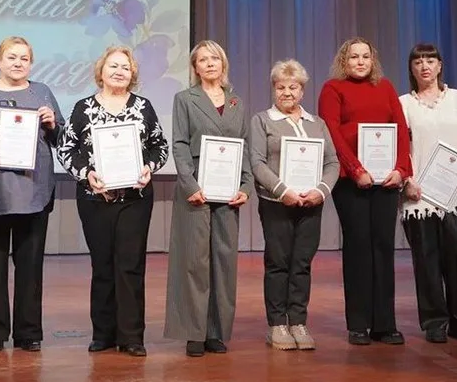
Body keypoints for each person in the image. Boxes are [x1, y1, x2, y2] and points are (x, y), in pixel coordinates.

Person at [58, 45, 169, 357]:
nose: (119, 72)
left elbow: (160, 146)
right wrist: (87, 174)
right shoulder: (82, 108)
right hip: (95, 199)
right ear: (101, 72)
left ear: (132, 74)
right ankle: (103, 334)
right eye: (113, 66)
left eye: (125, 67)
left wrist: (149, 167)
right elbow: (66, 149)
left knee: (130, 266)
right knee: (103, 265)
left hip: (135, 199)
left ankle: (132, 336)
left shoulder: (143, 107)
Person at [0, 36, 64, 353]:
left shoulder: (42, 92)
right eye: (11, 57)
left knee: (30, 268)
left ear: (31, 64)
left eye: (24, 58)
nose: (18, 63)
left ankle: (28, 332)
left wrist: (52, 124)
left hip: (34, 192)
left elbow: (60, 138)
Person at [318, 37, 412, 346]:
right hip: (351, 181)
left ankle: (385, 324)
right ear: (343, 61)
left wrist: (401, 169)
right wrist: (356, 169)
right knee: (359, 246)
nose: (360, 62)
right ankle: (358, 323)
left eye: (365, 56)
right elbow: (331, 132)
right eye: (354, 57)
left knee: (383, 246)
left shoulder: (385, 87)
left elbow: (400, 129)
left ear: (373, 61)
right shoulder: (332, 89)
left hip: (386, 180)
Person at [164, 41, 254, 357]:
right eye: (203, 59)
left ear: (223, 63)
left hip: (228, 191)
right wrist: (190, 184)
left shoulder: (237, 102)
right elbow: (179, 144)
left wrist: (246, 185)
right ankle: (194, 332)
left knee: (223, 261)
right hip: (197, 189)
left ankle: (216, 331)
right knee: (194, 261)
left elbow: (244, 145)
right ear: (195, 67)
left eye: (215, 57)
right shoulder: (184, 99)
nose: (210, 63)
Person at [248, 59, 339, 351]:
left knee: (301, 263)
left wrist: (321, 191)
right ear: (273, 89)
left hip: (311, 203)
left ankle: (298, 321)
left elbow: (332, 162)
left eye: (293, 87)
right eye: (281, 87)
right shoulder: (262, 120)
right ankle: (277, 324)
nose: (287, 92)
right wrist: (283, 190)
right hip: (276, 202)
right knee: (278, 263)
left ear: (302, 90)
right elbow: (257, 162)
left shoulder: (317, 123)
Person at [398, 43, 457, 343]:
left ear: (440, 65)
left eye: (430, 60)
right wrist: (406, 180)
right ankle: (434, 322)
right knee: (427, 261)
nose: (424, 66)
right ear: (411, 68)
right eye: (418, 62)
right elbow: (400, 147)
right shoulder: (404, 104)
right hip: (420, 196)